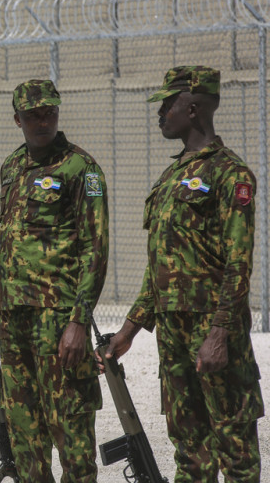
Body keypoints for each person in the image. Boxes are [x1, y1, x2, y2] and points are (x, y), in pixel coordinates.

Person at [104, 66, 264, 482]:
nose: (160, 113)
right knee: (189, 448)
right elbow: (161, 264)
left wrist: (218, 334)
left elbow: (238, 263)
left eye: (167, 104)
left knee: (235, 448)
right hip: (173, 332)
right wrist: (130, 329)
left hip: (212, 329)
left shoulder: (231, 175)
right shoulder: (172, 176)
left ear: (192, 108)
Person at [0, 79, 109, 481]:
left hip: (59, 321)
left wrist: (78, 321)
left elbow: (95, 249)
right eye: (33, 114)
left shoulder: (80, 168)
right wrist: (0, 319)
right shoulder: (13, 166)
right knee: (24, 432)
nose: (42, 121)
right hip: (15, 321)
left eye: (48, 112)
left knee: (70, 428)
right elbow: (10, 247)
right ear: (17, 118)